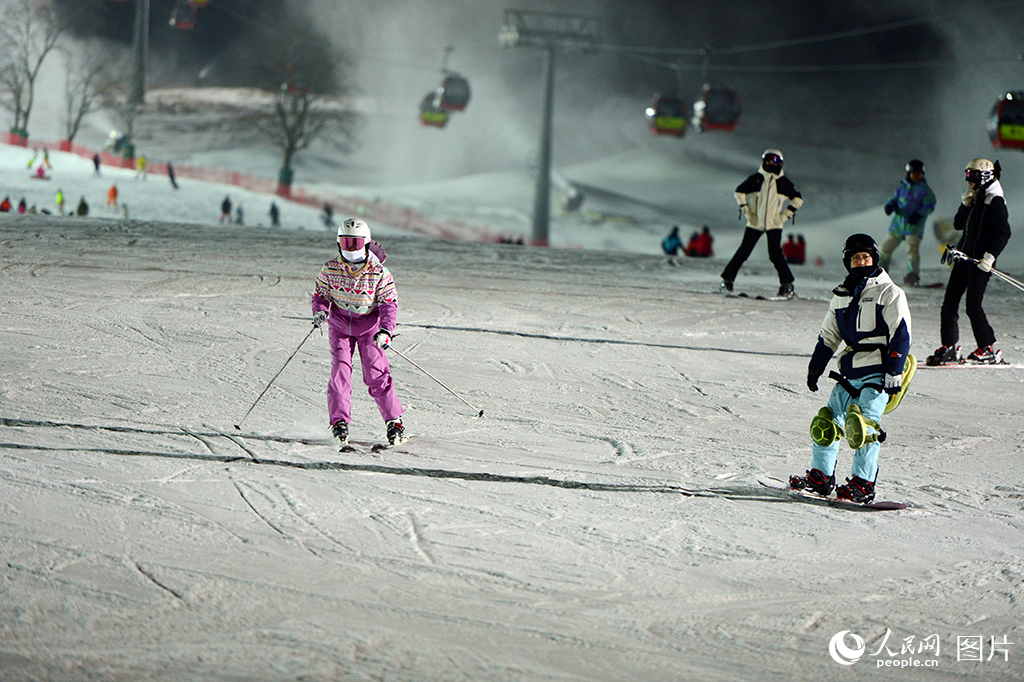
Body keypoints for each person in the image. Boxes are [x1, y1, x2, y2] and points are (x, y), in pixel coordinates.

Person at [791, 233, 911, 504]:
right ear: (848, 262)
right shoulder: (841, 295)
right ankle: (820, 478)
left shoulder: (889, 293)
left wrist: (894, 371)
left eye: (866, 257)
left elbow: (901, 334)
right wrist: (816, 367)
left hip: (878, 371)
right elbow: (828, 335)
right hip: (849, 371)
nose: (861, 261)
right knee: (827, 423)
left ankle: (863, 483)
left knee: (864, 427)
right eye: (856, 258)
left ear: (875, 259)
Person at [311, 218, 406, 449]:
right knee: (340, 371)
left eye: (355, 243)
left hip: (369, 328)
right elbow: (320, 294)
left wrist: (386, 330)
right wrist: (321, 310)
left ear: (366, 244)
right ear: (338, 244)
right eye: (345, 243)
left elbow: (388, 303)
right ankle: (339, 421)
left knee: (376, 373)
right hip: (340, 325)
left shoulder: (379, 272)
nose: (350, 249)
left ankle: (394, 421)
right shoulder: (330, 268)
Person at [928, 158, 1012, 366]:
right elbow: (958, 225)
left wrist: (990, 257)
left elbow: (1004, 233)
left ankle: (988, 348)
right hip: (965, 257)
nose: (969, 182)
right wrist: (965, 205)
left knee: (973, 305)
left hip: (980, 262)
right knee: (949, 303)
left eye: (972, 176)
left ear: (984, 177)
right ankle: (949, 347)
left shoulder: (995, 200)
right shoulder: (977, 197)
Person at [721, 149, 803, 298]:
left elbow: (797, 199)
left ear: (780, 164)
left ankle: (787, 284)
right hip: (755, 222)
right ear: (763, 162)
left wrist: (785, 216)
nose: (772, 163)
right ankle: (727, 281)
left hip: (774, 224)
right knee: (743, 252)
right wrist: (747, 211)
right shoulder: (756, 179)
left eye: (775, 161)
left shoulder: (783, 183)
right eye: (769, 160)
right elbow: (739, 192)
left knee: (775, 255)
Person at [879, 159, 937, 287]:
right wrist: (889, 206)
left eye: (919, 174)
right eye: (914, 173)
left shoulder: (924, 190)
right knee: (885, 248)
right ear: (909, 174)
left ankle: (912, 274)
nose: (917, 176)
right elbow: (893, 199)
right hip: (898, 225)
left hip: (913, 226)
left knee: (911, 250)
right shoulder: (902, 188)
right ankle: (880, 273)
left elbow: (930, 204)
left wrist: (919, 214)